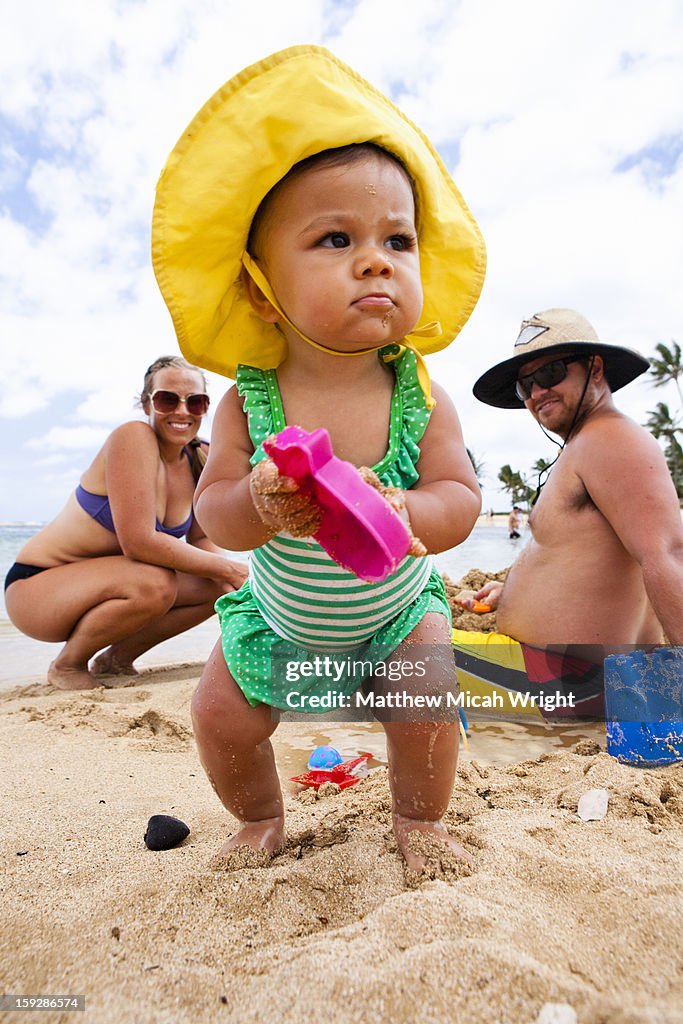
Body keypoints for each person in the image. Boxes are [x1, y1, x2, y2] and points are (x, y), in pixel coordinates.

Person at [151, 46, 486, 875]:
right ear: (263, 289)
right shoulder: (249, 401)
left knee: (425, 701)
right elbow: (214, 514)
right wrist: (260, 503)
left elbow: (459, 497)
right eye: (335, 238)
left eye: (397, 239)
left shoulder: (419, 397)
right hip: (282, 616)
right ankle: (261, 816)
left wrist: (413, 511)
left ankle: (420, 822)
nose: (376, 258)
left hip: (392, 614)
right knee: (221, 713)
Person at [454, 308, 683, 712]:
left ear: (595, 369)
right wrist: (511, 592)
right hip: (565, 678)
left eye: (550, 373)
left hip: (565, 683)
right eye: (526, 386)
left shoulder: (611, 438)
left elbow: (669, 554)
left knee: (389, 659)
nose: (538, 392)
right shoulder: (590, 445)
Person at [5, 356, 248, 691]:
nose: (182, 411)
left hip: (111, 585)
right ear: (146, 402)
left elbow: (203, 538)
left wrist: (228, 577)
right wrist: (233, 571)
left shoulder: (200, 456)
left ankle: (116, 659)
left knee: (216, 588)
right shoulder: (133, 437)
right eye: (167, 399)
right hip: (38, 589)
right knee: (157, 581)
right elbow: (139, 543)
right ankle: (67, 665)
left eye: (195, 401)